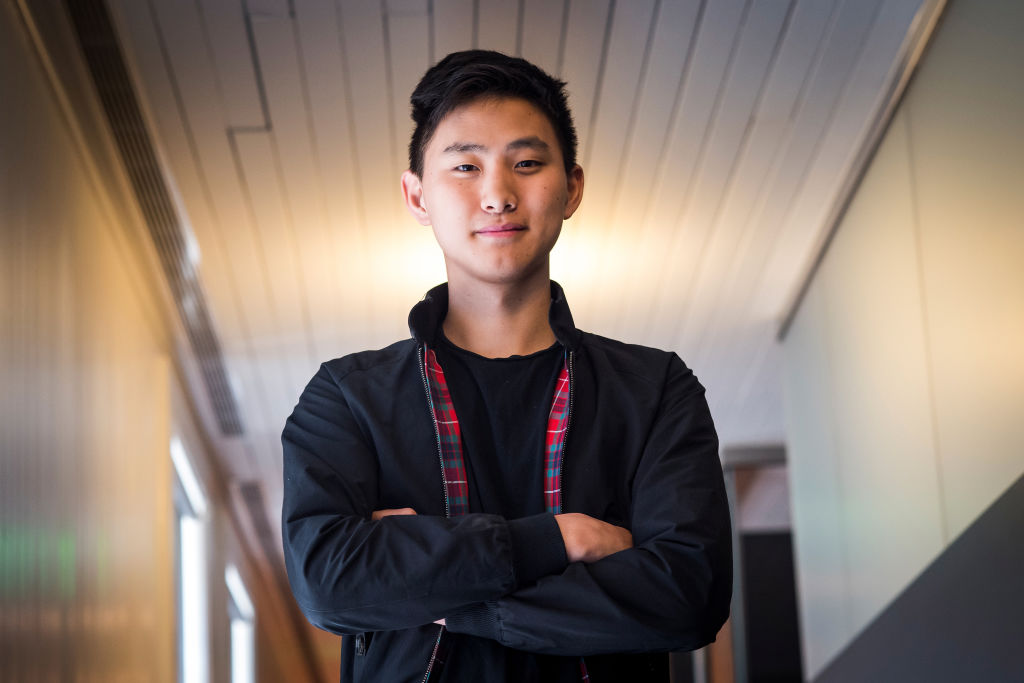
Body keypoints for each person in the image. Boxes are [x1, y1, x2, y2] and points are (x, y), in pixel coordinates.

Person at [282, 49, 732, 682]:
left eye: (526, 164)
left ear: (571, 188)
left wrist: (436, 593)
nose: (497, 194)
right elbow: (330, 586)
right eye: (465, 166)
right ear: (417, 195)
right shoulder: (348, 397)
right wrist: (560, 541)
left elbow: (687, 598)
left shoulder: (654, 390)